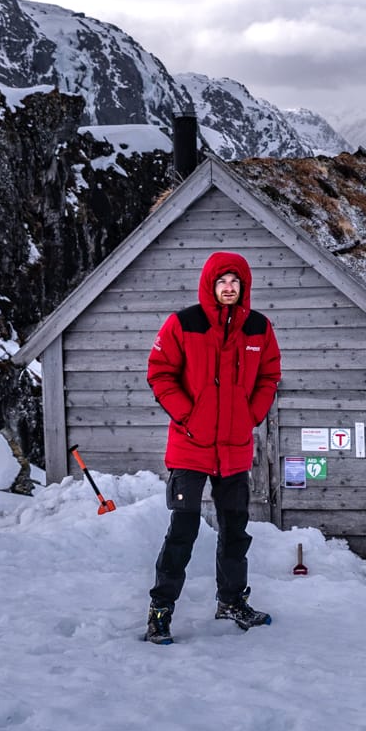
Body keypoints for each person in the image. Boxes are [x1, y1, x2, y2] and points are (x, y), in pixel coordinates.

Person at [143, 250, 281, 644]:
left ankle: (232, 601)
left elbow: (270, 374)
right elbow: (160, 372)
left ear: (244, 286)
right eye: (222, 281)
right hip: (191, 447)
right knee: (182, 532)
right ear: (210, 284)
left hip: (235, 448)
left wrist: (251, 414)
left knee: (235, 532)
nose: (228, 288)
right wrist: (188, 415)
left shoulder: (258, 328)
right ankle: (160, 611)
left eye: (235, 282)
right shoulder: (183, 324)